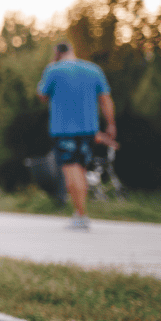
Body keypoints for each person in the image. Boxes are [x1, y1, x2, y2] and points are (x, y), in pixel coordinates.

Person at [37, 42, 116, 230]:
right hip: (89, 130)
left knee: (71, 171)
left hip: (64, 129)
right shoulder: (93, 69)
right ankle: (80, 213)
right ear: (73, 50)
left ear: (57, 53)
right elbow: (105, 99)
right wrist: (111, 124)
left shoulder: (53, 70)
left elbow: (42, 95)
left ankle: (81, 215)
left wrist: (49, 67)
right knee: (81, 170)